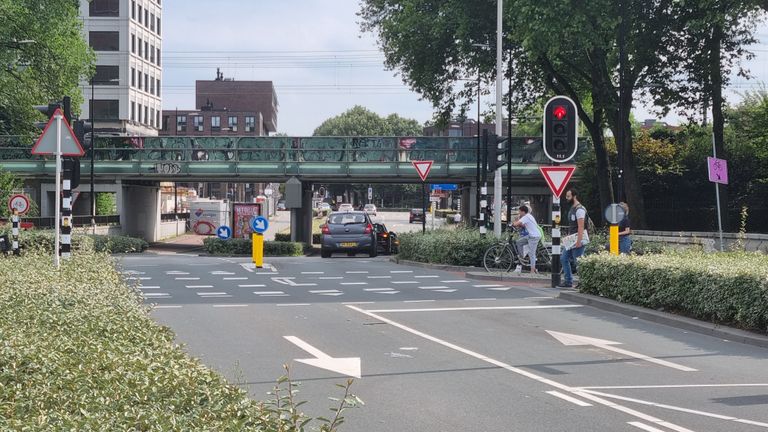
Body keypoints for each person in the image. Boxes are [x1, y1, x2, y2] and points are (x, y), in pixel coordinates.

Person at [559, 189, 589, 288]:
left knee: (578, 261)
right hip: (572, 239)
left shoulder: (580, 210)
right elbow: (572, 226)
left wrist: (579, 241)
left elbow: (581, 226)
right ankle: (568, 281)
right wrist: (568, 236)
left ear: (574, 196)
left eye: (568, 196)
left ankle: (583, 282)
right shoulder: (573, 208)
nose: (566, 198)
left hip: (577, 239)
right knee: (564, 258)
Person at [511, 205, 542, 274]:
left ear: (523, 211)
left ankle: (532, 270)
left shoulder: (526, 217)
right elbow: (524, 224)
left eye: (519, 211)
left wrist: (512, 224)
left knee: (531, 253)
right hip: (530, 235)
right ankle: (521, 258)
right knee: (519, 242)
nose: (519, 213)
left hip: (534, 237)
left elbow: (517, 223)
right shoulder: (529, 216)